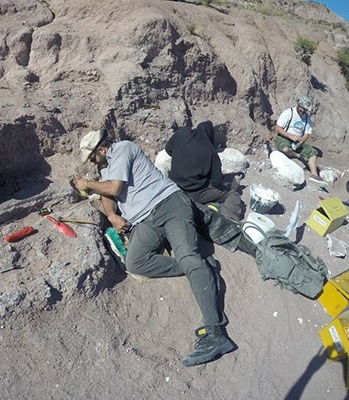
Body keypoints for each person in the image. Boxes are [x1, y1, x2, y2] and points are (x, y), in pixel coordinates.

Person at [73, 129, 234, 367]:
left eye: (92, 157)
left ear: (101, 149)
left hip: (168, 204)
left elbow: (115, 188)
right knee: (135, 262)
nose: (93, 163)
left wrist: (87, 184)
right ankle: (199, 267)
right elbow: (107, 193)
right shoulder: (106, 168)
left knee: (187, 254)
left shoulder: (124, 148)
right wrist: (111, 215)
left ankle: (216, 333)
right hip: (145, 220)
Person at [165, 121, 243, 220]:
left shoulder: (182, 133)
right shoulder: (211, 151)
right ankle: (228, 223)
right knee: (232, 194)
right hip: (194, 193)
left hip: (173, 186)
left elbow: (168, 149)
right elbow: (216, 182)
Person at [272, 95, 324, 183]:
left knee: (312, 152)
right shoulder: (289, 113)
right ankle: (298, 156)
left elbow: (307, 133)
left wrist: (301, 141)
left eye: (305, 109)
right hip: (284, 137)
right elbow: (277, 128)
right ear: (298, 105)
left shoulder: (307, 118)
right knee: (285, 149)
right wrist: (290, 136)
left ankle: (314, 175)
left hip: (297, 141)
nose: (303, 111)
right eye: (302, 108)